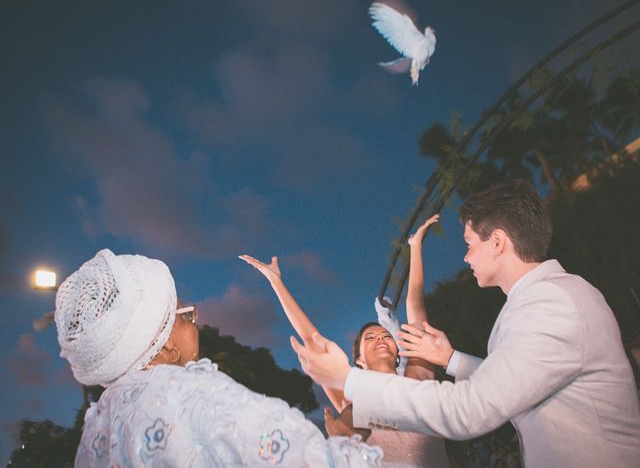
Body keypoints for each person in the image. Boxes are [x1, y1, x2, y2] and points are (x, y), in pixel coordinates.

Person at [290, 179, 640, 468]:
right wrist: (451, 359)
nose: (465, 256)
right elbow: (516, 381)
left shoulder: (551, 303)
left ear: (498, 242)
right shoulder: (537, 302)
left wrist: (348, 378)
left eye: (470, 244)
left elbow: (469, 410)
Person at [54, 249, 383, 467]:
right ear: (166, 347)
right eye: (184, 316)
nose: (195, 325)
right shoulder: (188, 394)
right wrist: (345, 442)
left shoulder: (98, 425)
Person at [239, 214, 450, 468]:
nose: (380, 338)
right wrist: (276, 281)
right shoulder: (352, 401)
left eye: (385, 336)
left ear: (397, 351)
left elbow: (415, 306)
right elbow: (313, 340)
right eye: (370, 338)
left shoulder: (418, 380)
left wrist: (415, 247)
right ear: (359, 358)